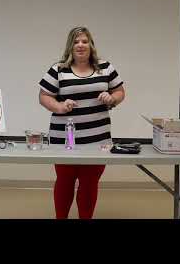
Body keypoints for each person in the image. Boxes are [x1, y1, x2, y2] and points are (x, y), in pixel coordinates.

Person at [38, 27, 125, 219]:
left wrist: (112, 99)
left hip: (98, 139)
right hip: (65, 140)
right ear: (70, 46)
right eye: (76, 42)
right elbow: (44, 96)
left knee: (90, 183)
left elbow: (120, 92)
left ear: (91, 45)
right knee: (65, 181)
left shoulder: (106, 67)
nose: (80, 45)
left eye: (85, 41)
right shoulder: (58, 69)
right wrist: (59, 106)